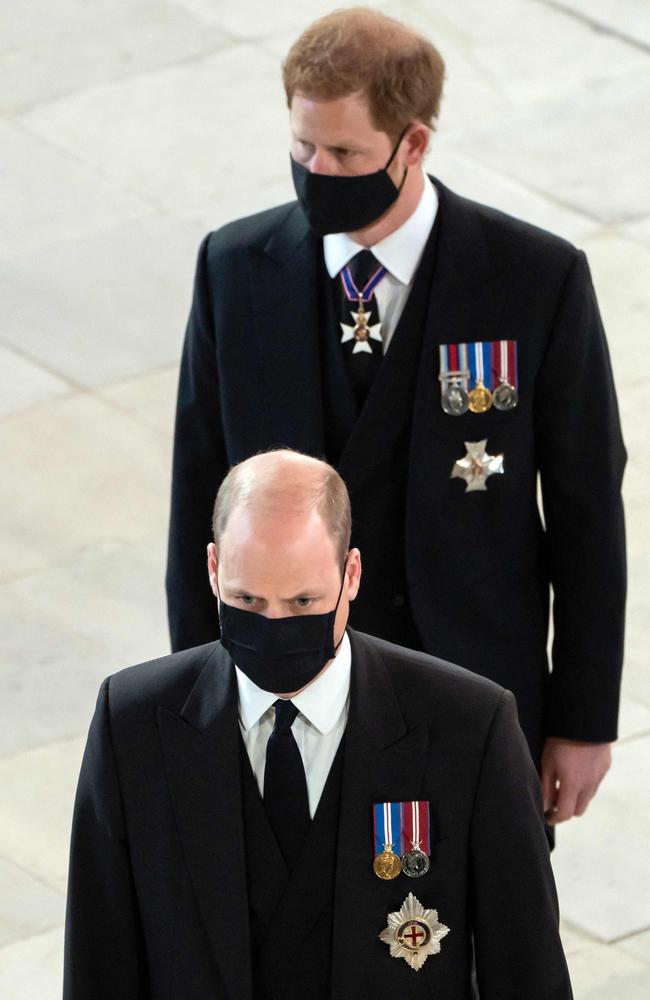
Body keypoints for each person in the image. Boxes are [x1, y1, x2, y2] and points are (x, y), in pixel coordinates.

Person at [166, 7, 626, 825]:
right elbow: (198, 498)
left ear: (412, 145)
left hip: (475, 696)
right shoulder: (235, 271)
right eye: (302, 147)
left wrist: (583, 721)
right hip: (286, 696)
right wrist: (197, 700)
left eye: (344, 153)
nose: (316, 170)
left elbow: (589, 511)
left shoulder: (534, 280)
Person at [65, 450, 573, 999]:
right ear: (213, 570)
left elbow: (527, 972)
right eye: (247, 600)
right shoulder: (134, 725)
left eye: (304, 601)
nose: (274, 626)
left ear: (351, 575)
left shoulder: (470, 728)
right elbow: (99, 963)